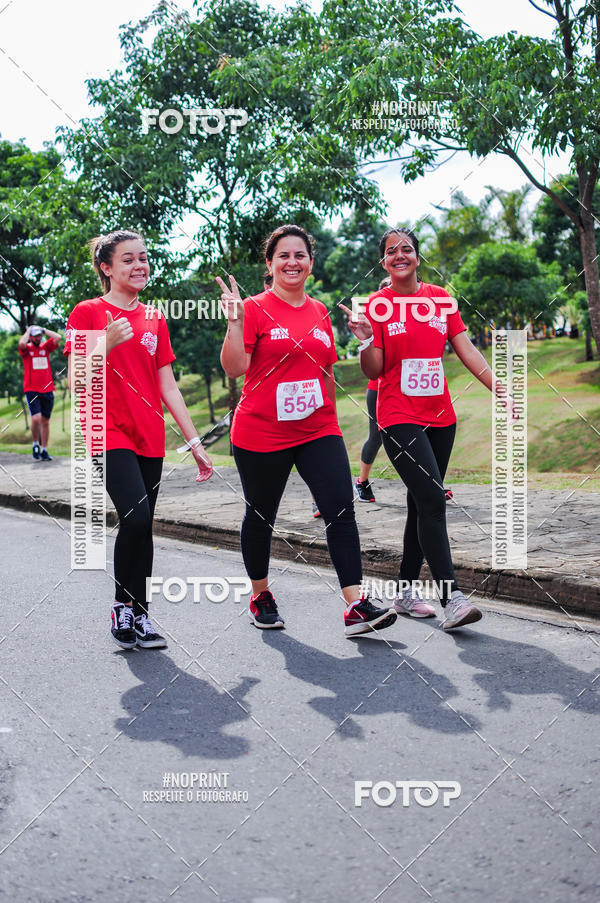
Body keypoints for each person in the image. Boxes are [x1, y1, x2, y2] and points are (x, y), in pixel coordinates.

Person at [217, 223, 397, 637]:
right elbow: (234, 368)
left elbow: (323, 371)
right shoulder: (253, 308)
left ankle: (356, 606)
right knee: (261, 515)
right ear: (270, 264)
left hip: (318, 428)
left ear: (311, 264)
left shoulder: (320, 311)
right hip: (262, 432)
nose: (292, 262)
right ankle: (261, 594)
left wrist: (366, 341)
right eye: (283, 255)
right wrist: (233, 323)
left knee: (340, 508)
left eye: (300, 255)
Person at [341, 227, 510, 630]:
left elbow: (465, 347)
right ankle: (452, 598)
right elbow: (375, 370)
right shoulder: (378, 306)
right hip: (398, 415)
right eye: (391, 251)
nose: (400, 255)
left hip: (440, 417)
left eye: (407, 249)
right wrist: (365, 342)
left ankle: (403, 590)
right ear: (383, 262)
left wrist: (499, 388)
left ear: (417, 256)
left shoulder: (440, 299)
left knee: (421, 503)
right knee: (434, 501)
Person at [64, 229, 213, 651]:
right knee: (136, 517)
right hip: (105, 431)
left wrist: (195, 442)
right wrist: (103, 344)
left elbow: (168, 386)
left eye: (143, 258)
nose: (139, 265)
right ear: (106, 268)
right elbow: (77, 380)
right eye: (127, 259)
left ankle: (140, 614)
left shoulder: (155, 317)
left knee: (143, 526)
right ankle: (122, 608)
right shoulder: (88, 312)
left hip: (149, 434)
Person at [354, 277, 390, 503]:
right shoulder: (371, 322)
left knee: (422, 435)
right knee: (376, 436)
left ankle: (432, 483)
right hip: (377, 388)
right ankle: (362, 481)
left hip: (406, 387)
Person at [18, 324, 61, 460]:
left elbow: (58, 337)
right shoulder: (27, 350)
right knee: (36, 418)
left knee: (45, 421)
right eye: (35, 336)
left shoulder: (45, 347)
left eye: (39, 335)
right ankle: (35, 443)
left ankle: (44, 449)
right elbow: (22, 343)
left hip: (47, 389)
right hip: (32, 389)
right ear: (30, 337)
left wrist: (43, 330)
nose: (38, 338)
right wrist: (28, 330)